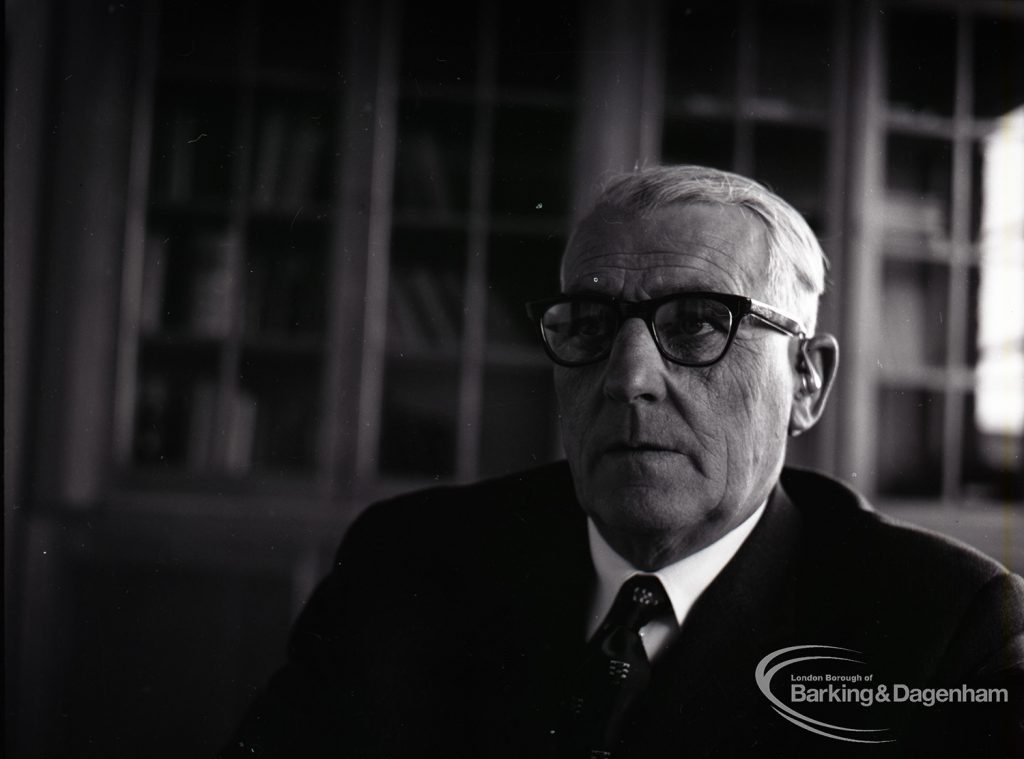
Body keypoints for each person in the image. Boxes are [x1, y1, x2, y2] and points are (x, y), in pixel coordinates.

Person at [222, 165, 1023, 758]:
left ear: (806, 381)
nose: (630, 378)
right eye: (590, 323)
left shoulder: (949, 628)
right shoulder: (404, 562)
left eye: (701, 322)